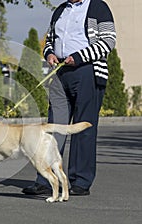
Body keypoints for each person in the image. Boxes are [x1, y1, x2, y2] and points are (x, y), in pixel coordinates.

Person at [22, 0, 116, 196]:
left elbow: (108, 41)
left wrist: (80, 57)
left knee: (84, 127)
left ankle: (80, 180)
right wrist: (49, 54)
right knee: (53, 127)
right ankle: (46, 180)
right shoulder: (60, 10)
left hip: (87, 71)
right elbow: (49, 40)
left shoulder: (98, 7)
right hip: (60, 73)